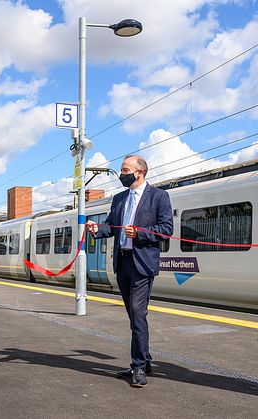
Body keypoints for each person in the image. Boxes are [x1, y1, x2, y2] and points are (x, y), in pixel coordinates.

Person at [86, 155, 173, 387]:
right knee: (134, 315)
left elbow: (166, 229)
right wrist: (97, 229)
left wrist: (140, 233)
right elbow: (110, 226)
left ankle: (138, 367)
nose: (121, 174)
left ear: (140, 172)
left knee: (137, 314)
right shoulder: (119, 198)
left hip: (142, 264)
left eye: (125, 169)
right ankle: (144, 360)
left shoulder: (159, 197)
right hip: (122, 263)